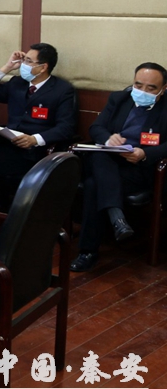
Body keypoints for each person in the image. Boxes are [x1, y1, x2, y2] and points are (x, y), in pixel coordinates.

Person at [70, 63, 167, 272]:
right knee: (100, 155)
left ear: (163, 89)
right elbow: (96, 127)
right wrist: (108, 139)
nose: (143, 91)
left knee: (93, 185)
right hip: (109, 160)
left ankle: (88, 252)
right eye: (138, 85)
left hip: (137, 167)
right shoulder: (120, 98)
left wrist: (145, 154)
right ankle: (117, 218)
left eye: (151, 88)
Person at [0, 44, 77, 207]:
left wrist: (35, 139)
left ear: (43, 67)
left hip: (32, 150)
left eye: (28, 61)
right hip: (9, 141)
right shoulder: (17, 83)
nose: (23, 64)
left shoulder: (62, 90)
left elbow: (66, 127)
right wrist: (7, 67)